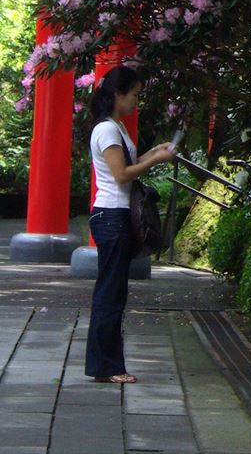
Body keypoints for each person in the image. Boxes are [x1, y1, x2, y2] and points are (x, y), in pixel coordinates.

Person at [84, 65, 174, 383]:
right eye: (134, 94)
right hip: (112, 216)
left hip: (116, 215)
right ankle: (107, 367)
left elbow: (128, 164)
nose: (137, 100)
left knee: (114, 292)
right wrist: (155, 161)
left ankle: (106, 364)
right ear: (118, 94)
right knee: (110, 293)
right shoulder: (107, 130)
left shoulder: (116, 126)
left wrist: (153, 153)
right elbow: (121, 175)